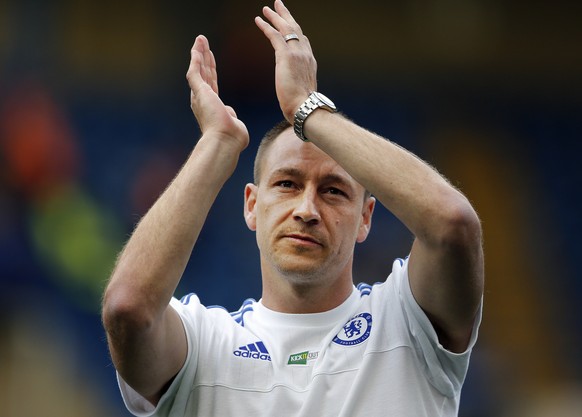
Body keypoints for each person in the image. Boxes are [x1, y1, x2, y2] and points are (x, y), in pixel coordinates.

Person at [102, 1, 484, 416]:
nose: (307, 209)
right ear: (251, 205)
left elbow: (454, 226)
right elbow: (128, 309)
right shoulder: (204, 344)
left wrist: (307, 108)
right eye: (287, 184)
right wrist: (217, 142)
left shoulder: (408, 324)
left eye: (334, 191)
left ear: (366, 218)